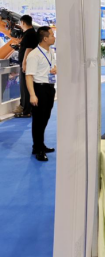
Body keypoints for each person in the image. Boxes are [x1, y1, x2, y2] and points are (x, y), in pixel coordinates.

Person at [25, 26, 57, 162]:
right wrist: (32, 95)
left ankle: (40, 145)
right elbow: (29, 76)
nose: (54, 37)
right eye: (52, 35)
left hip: (49, 88)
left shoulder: (51, 51)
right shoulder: (34, 55)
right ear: (45, 38)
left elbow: (51, 67)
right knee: (38, 120)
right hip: (39, 89)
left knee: (45, 118)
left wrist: (54, 70)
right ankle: (38, 149)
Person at [14, 15, 38, 118]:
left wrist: (24, 63)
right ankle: (28, 109)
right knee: (27, 88)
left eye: (20, 23)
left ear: (23, 22)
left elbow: (28, 49)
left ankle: (26, 111)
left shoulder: (29, 34)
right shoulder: (32, 33)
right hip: (30, 64)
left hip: (27, 65)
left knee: (25, 88)